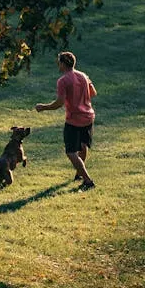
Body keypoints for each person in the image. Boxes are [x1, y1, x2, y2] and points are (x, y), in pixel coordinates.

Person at [35, 51, 97, 190]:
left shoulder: (63, 80)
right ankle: (79, 174)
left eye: (59, 62)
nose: (58, 65)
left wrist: (43, 107)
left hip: (74, 120)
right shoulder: (83, 75)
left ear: (62, 63)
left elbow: (59, 103)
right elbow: (93, 92)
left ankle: (88, 181)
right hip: (88, 116)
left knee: (70, 152)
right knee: (82, 146)